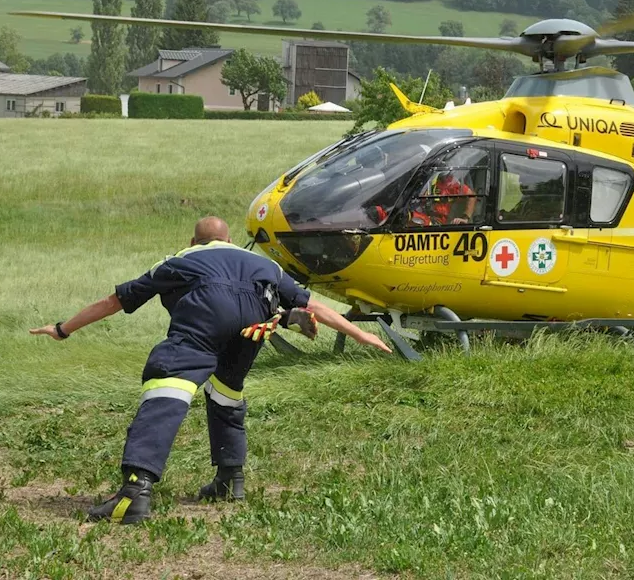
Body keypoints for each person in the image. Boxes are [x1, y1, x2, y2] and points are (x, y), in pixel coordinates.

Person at [29, 216, 391, 524]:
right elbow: (314, 303)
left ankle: (135, 492)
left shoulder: (180, 260)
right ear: (231, 240)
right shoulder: (265, 264)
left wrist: (63, 329)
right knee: (227, 390)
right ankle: (229, 478)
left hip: (204, 316)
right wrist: (360, 335)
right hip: (251, 322)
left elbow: (115, 301)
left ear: (194, 240)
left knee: (166, 386)